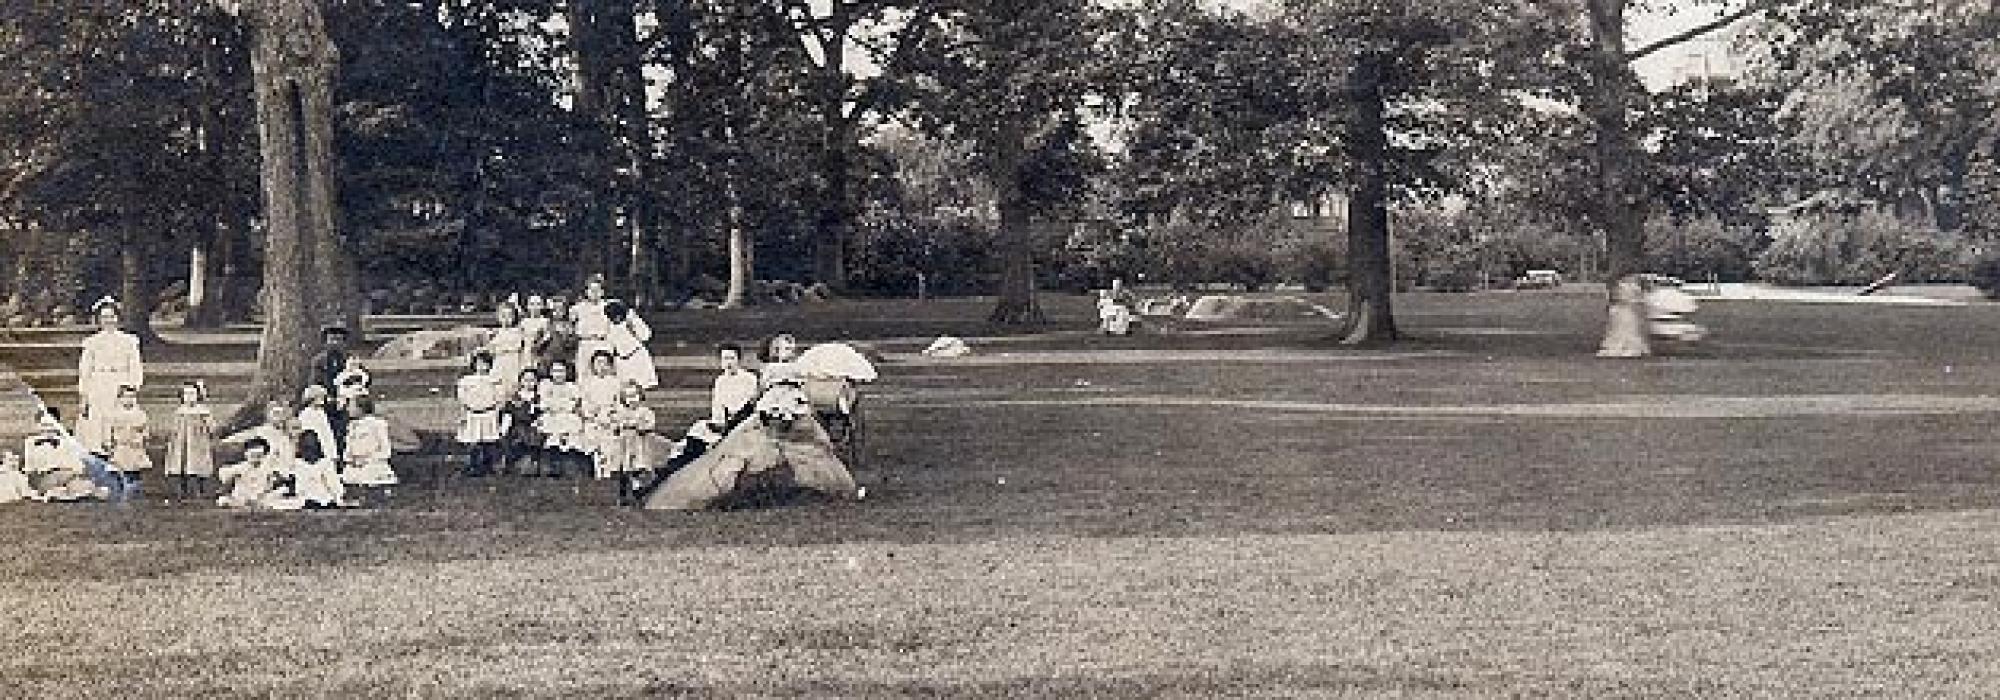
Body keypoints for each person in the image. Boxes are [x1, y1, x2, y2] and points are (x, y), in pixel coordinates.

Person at [76, 297, 143, 455]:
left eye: (112, 316)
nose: (108, 321)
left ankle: (118, 448)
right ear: (99, 320)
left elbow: (135, 366)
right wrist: (84, 393)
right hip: (99, 382)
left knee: (118, 414)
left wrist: (133, 386)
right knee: (98, 416)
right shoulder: (92, 342)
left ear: (118, 318)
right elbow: (85, 370)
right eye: (104, 317)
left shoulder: (129, 341)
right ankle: (98, 450)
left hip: (120, 381)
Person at [22, 408, 106, 502]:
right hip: (43, 478)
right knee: (66, 482)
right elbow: (29, 469)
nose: (47, 429)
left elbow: (75, 464)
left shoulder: (64, 442)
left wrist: (73, 472)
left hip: (66, 476)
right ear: (37, 425)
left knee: (79, 484)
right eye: (43, 425)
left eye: (50, 425)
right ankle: (67, 491)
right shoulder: (31, 442)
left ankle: (75, 490)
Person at [604, 382, 658, 505]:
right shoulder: (621, 412)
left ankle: (638, 491)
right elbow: (614, 426)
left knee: (637, 468)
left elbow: (650, 424)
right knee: (623, 471)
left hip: (638, 445)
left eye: (634, 395)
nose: (632, 399)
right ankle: (622, 496)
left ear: (640, 396)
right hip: (624, 446)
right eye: (628, 397)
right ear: (624, 399)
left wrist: (639, 426)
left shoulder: (645, 411)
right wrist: (618, 425)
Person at [163, 380, 218, 500]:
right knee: (181, 464)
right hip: (181, 443)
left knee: (197, 465)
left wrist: (210, 430)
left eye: (192, 394)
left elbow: (212, 427)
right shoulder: (180, 411)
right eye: (186, 394)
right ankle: (182, 491)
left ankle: (198, 490)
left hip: (197, 443)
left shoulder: (203, 411)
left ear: (198, 396)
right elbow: (174, 428)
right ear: (182, 397)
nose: (189, 397)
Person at [456, 351, 506, 477]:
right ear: (474, 365)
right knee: (473, 441)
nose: (482, 366)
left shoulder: (494, 380)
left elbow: (499, 398)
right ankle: (473, 464)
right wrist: (464, 413)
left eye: (485, 364)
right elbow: (463, 398)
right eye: (479, 363)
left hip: (488, 413)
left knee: (488, 441)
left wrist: (496, 411)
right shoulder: (467, 381)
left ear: (489, 365)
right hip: (472, 414)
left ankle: (488, 465)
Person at [341, 398, 398, 505]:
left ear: (361, 408)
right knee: (350, 476)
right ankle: (356, 496)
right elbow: (349, 446)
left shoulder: (377, 424)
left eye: (351, 406)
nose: (347, 409)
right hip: (356, 462)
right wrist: (350, 458)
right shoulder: (352, 425)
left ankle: (376, 494)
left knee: (369, 475)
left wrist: (369, 459)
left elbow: (385, 448)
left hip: (373, 461)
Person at [536, 360, 587, 478]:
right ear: (550, 372)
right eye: (555, 371)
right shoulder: (546, 385)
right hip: (551, 416)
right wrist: (558, 405)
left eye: (561, 371)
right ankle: (552, 466)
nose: (558, 374)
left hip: (567, 416)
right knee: (550, 436)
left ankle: (569, 466)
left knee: (571, 432)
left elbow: (573, 404)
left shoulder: (572, 387)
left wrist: (558, 405)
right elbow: (544, 403)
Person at [578, 349, 623, 479]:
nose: (601, 366)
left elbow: (619, 402)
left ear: (610, 365)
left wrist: (613, 414)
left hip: (609, 417)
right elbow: (584, 401)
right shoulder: (587, 383)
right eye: (598, 363)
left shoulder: (615, 382)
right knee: (594, 446)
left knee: (609, 448)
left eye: (604, 363)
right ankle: (597, 473)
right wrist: (592, 412)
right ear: (593, 366)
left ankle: (609, 474)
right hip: (594, 418)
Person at [221, 401, 299, 470]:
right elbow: (245, 435)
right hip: (268, 466)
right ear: (268, 415)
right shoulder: (263, 430)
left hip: (286, 464)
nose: (278, 417)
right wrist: (227, 440)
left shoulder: (286, 433)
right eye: (275, 413)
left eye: (281, 414)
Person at [103, 385, 152, 495]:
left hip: (135, 448)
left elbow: (145, 431)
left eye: (132, 397)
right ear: (120, 398)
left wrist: (143, 440)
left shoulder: (140, 414)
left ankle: (135, 489)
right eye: (126, 397)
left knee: (135, 472)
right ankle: (121, 489)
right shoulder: (114, 414)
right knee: (120, 471)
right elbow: (108, 431)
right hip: (120, 447)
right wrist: (109, 445)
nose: (129, 400)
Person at [310, 326, 354, 446]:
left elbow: (362, 378)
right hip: (326, 401)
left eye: (339, 340)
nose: (335, 343)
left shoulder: (350, 360)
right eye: (332, 339)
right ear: (326, 342)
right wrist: (326, 397)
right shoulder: (319, 361)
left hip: (347, 401)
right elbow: (315, 382)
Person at [283, 431, 347, 510]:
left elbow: (333, 484)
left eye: (311, 447)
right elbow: (292, 484)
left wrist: (338, 499)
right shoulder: (296, 464)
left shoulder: (325, 464)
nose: (309, 452)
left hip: (323, 500)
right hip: (302, 500)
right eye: (306, 448)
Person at [603, 300, 658, 389]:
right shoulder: (609, 326)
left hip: (637, 356)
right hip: (621, 360)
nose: (616, 319)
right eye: (613, 317)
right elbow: (609, 343)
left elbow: (646, 336)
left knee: (643, 386)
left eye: (618, 316)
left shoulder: (632, 320)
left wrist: (632, 324)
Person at [501, 368, 546, 476]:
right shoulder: (515, 398)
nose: (529, 383)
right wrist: (504, 429)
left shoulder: (539, 398)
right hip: (517, 427)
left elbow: (543, 415)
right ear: (521, 381)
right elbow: (508, 414)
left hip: (534, 427)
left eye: (532, 380)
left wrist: (539, 422)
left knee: (535, 437)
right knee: (518, 437)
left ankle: (532, 463)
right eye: (526, 380)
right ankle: (515, 464)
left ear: (536, 382)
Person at [216, 438, 282, 509]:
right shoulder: (241, 467)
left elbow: (272, 480)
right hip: (243, 497)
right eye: (253, 456)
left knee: (279, 492)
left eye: (259, 456)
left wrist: (272, 480)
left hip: (259, 496)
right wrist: (232, 476)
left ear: (264, 456)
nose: (256, 459)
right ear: (246, 455)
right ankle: (245, 504)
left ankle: (259, 504)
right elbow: (224, 473)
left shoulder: (265, 468)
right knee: (223, 500)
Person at [1598, 274, 1650, 359]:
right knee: (1621, 327)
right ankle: (1621, 347)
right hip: (1622, 309)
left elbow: (1640, 298)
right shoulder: (1620, 285)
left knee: (1630, 327)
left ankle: (1631, 347)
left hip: (1629, 310)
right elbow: (1613, 298)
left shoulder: (1633, 284)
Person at [570, 274, 614, 372]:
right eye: (591, 290)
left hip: (603, 343)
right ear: (586, 291)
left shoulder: (608, 307)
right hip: (585, 343)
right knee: (583, 373)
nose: (594, 293)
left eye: (597, 290)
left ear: (602, 292)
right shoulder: (577, 308)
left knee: (603, 373)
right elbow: (571, 326)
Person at [486, 300, 531, 395]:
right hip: (499, 363)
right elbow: (491, 350)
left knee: (513, 387)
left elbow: (522, 349)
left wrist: (524, 366)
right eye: (503, 316)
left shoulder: (518, 332)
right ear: (498, 317)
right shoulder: (495, 333)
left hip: (513, 362)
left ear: (514, 317)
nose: (506, 319)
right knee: (498, 388)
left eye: (509, 316)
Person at [710, 343, 759, 426]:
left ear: (738, 360)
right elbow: (717, 406)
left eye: (732, 358)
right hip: (726, 421)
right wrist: (719, 422)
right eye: (725, 359)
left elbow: (752, 404)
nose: (729, 362)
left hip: (746, 420)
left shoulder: (750, 378)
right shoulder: (720, 381)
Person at [297, 385, 341, 465]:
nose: (322, 399)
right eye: (319, 397)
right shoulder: (305, 414)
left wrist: (332, 453)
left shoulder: (321, 413)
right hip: (314, 449)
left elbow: (327, 433)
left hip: (325, 446)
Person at [519, 295, 553, 370]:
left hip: (538, 350)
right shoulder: (524, 321)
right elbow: (520, 335)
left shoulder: (544, 321)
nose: (535, 307)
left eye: (538, 304)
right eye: (532, 304)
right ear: (528, 306)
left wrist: (539, 343)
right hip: (526, 349)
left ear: (542, 306)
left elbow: (547, 335)